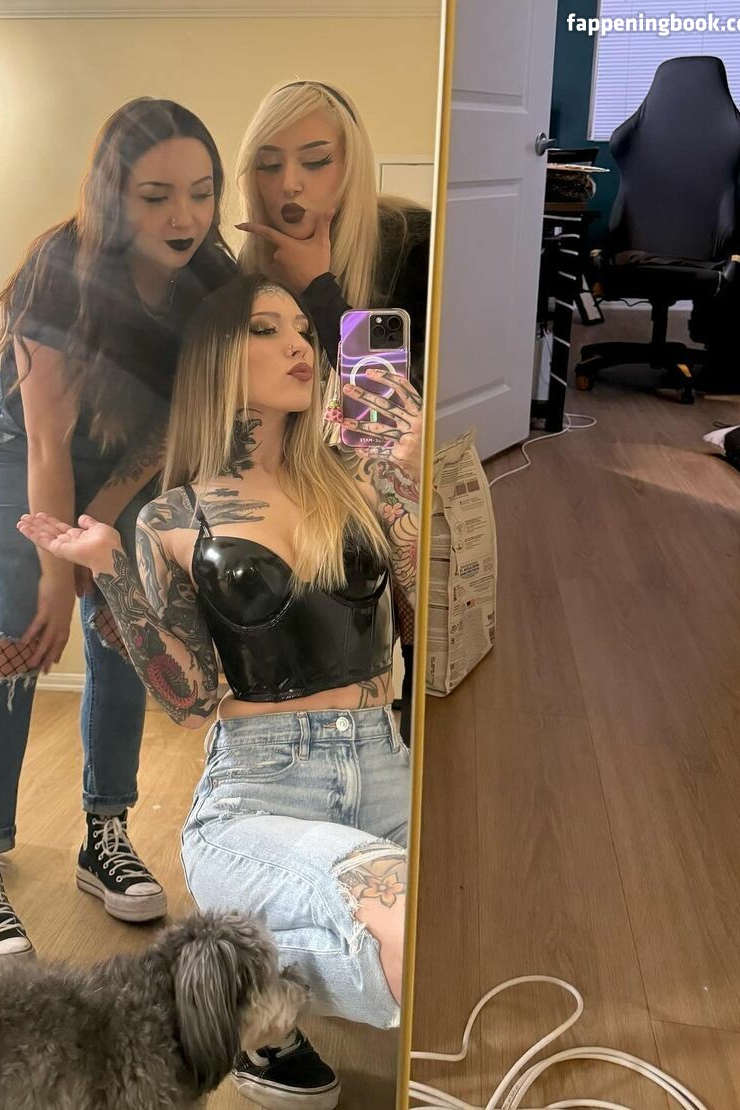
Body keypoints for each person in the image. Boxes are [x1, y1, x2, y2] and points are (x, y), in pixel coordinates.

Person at [18, 273, 423, 1110]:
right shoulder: (170, 518)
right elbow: (190, 698)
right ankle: (228, 995)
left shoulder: (358, 480)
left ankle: (232, 981)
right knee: (414, 927)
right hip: (259, 787)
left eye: (303, 330)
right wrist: (109, 571)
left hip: (386, 766)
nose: (299, 345)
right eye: (266, 330)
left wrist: (412, 476)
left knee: (471, 931)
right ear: (215, 360)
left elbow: (429, 614)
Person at [0, 98, 237, 966]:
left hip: (123, 469)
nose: (184, 217)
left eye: (201, 192)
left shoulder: (209, 283)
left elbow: (169, 426)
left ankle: (105, 835)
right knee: (16, 630)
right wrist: (52, 574)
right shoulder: (59, 271)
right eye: (156, 196)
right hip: (18, 452)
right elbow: (47, 440)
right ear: (114, 196)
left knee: (121, 625)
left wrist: (101, 526)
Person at [235, 79, 432, 744]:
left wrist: (322, 290)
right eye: (269, 164)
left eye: (315, 161)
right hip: (293, 503)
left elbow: (386, 416)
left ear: (351, 165)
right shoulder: (245, 271)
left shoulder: (410, 244)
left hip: (391, 499)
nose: (290, 183)